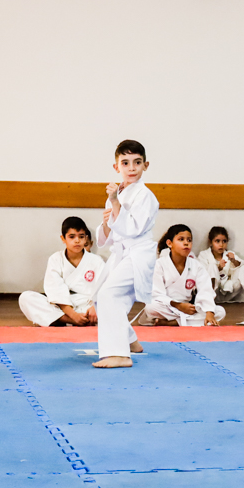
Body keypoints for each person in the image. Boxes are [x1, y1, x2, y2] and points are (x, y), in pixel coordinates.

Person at [93, 140, 159, 368]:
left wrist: (114, 203)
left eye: (137, 162)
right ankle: (130, 341)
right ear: (116, 167)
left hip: (138, 252)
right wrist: (106, 223)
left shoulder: (145, 195)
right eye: (125, 163)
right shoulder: (118, 192)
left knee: (110, 295)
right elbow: (108, 237)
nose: (131, 168)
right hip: (121, 252)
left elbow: (132, 229)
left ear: (145, 165)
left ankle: (118, 353)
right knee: (98, 295)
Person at [18, 217, 104, 327]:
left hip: (87, 306)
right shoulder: (55, 259)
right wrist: (73, 315)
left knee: (111, 305)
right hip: (63, 308)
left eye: (81, 236)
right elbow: (55, 290)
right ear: (63, 238)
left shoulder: (96, 261)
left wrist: (95, 307)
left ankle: (66, 320)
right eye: (72, 237)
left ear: (86, 238)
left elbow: (104, 288)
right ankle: (70, 320)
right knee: (26, 298)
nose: (77, 240)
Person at [142, 224, 224, 326]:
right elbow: (156, 294)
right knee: (150, 307)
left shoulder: (196, 265)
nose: (186, 243)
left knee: (220, 311)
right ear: (169, 243)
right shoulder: (159, 265)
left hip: (188, 308)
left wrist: (209, 313)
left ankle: (172, 322)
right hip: (168, 306)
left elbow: (205, 290)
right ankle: (188, 321)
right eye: (181, 239)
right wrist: (178, 306)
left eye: (189, 240)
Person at [196, 226, 244, 303]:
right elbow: (201, 275)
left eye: (224, 241)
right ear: (210, 242)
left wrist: (234, 261)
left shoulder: (229, 254)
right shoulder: (204, 255)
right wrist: (218, 268)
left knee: (243, 268)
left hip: (229, 290)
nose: (221, 245)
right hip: (213, 292)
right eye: (217, 241)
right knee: (212, 266)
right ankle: (207, 302)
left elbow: (242, 265)